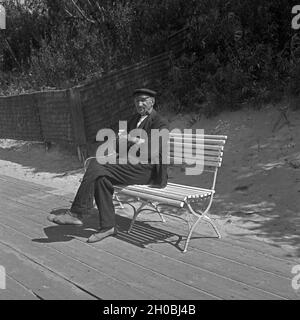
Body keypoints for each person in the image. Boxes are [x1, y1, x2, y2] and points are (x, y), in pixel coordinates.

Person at [48, 88, 169, 243]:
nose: (139, 104)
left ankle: (76, 214)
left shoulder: (160, 122)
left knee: (97, 163)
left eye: (143, 100)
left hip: (149, 170)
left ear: (152, 101)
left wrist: (132, 139)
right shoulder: (133, 120)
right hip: (129, 165)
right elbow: (120, 148)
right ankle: (108, 227)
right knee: (101, 178)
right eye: (137, 101)